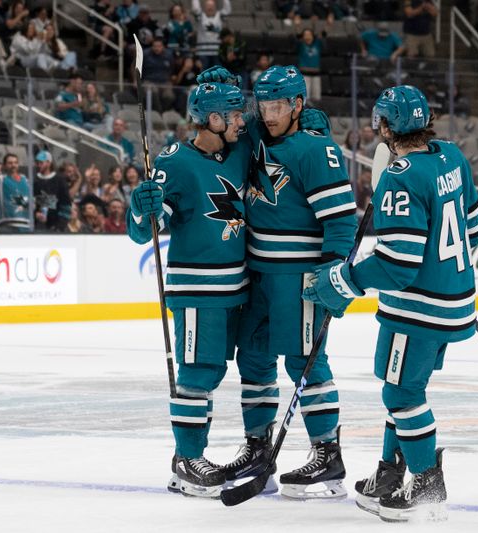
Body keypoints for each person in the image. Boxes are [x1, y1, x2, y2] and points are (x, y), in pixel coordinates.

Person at [303, 85, 478, 522]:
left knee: (401, 393)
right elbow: (473, 227)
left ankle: (425, 480)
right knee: (404, 387)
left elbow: (398, 264)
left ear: (387, 125)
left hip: (417, 310)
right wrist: (446, 275)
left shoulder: (402, 175)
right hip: (452, 299)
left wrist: (343, 279)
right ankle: (389, 471)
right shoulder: (451, 155)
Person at [214, 65, 357, 500]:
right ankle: (259, 449)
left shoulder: (316, 151)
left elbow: (342, 221)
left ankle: (327, 456)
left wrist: (333, 275)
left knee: (304, 363)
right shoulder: (256, 133)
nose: (269, 114)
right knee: (253, 359)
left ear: (298, 104)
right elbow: (221, 123)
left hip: (299, 278)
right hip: (257, 273)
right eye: (264, 105)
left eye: (279, 105)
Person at [126, 81, 251, 498]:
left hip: (237, 288)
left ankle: (194, 454)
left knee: (213, 373)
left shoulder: (238, 150)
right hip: (198, 290)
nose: (241, 120)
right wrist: (141, 210)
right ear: (213, 119)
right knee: (196, 376)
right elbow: (145, 230)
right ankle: (186, 460)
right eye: (233, 114)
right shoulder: (174, 161)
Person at [0, 153, 31, 232]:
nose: (13, 165)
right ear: (4, 165)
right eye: (10, 163)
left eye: (15, 163)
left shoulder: (26, 180)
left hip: (25, 224)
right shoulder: (0, 179)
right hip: (7, 224)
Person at [33, 150, 71, 232]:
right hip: (37, 225)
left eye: (41, 162)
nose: (38, 165)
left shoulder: (59, 180)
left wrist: (60, 225)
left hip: (55, 226)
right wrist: (35, 214)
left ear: (49, 163)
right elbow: (31, 201)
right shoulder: (34, 181)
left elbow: (66, 204)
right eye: (37, 162)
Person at [191, 0, 231, 70]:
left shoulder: (220, 16)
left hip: (217, 52)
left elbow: (227, 10)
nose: (210, 8)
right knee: (204, 75)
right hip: (203, 53)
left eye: (212, 6)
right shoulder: (200, 17)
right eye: (208, 6)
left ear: (215, 7)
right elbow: (195, 9)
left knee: (217, 75)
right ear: (204, 7)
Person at [297, 29, 323, 102]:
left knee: (316, 97)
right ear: (303, 37)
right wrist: (297, 27)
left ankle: (314, 112)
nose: (307, 36)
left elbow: (323, 34)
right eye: (305, 35)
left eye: (309, 34)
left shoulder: (317, 44)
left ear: (313, 36)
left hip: (316, 74)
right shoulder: (301, 45)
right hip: (305, 74)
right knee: (305, 97)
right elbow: (297, 37)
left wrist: (328, 25)